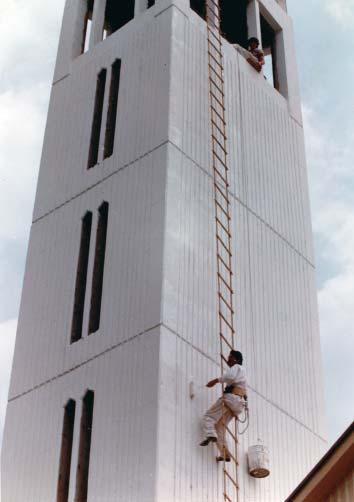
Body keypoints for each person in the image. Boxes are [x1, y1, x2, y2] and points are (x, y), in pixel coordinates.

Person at [200, 350, 247, 462]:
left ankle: (210, 434)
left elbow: (230, 376)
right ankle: (224, 454)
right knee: (220, 427)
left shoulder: (237, 367)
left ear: (235, 359)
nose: (228, 360)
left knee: (209, 417)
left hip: (231, 398)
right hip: (238, 404)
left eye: (230, 357)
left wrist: (215, 381)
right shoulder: (243, 373)